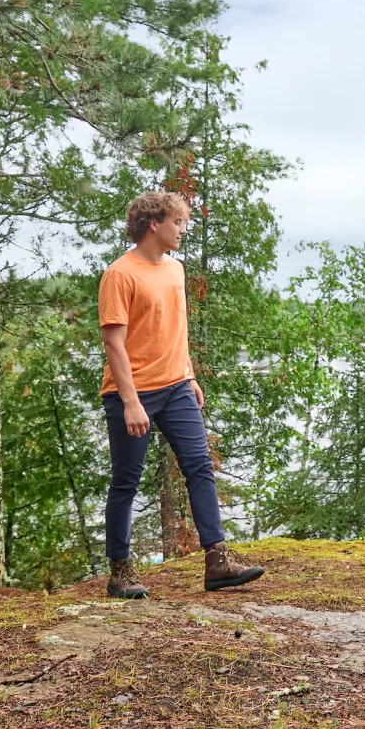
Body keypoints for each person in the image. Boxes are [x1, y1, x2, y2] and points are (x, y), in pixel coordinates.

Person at [99, 190, 263, 598]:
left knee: (199, 467)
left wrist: (188, 374)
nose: (183, 230)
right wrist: (132, 401)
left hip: (176, 387)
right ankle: (120, 572)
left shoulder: (176, 270)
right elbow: (114, 344)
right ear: (154, 223)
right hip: (130, 392)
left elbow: (176, 327)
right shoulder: (120, 274)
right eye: (178, 222)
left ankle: (218, 561)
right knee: (126, 481)